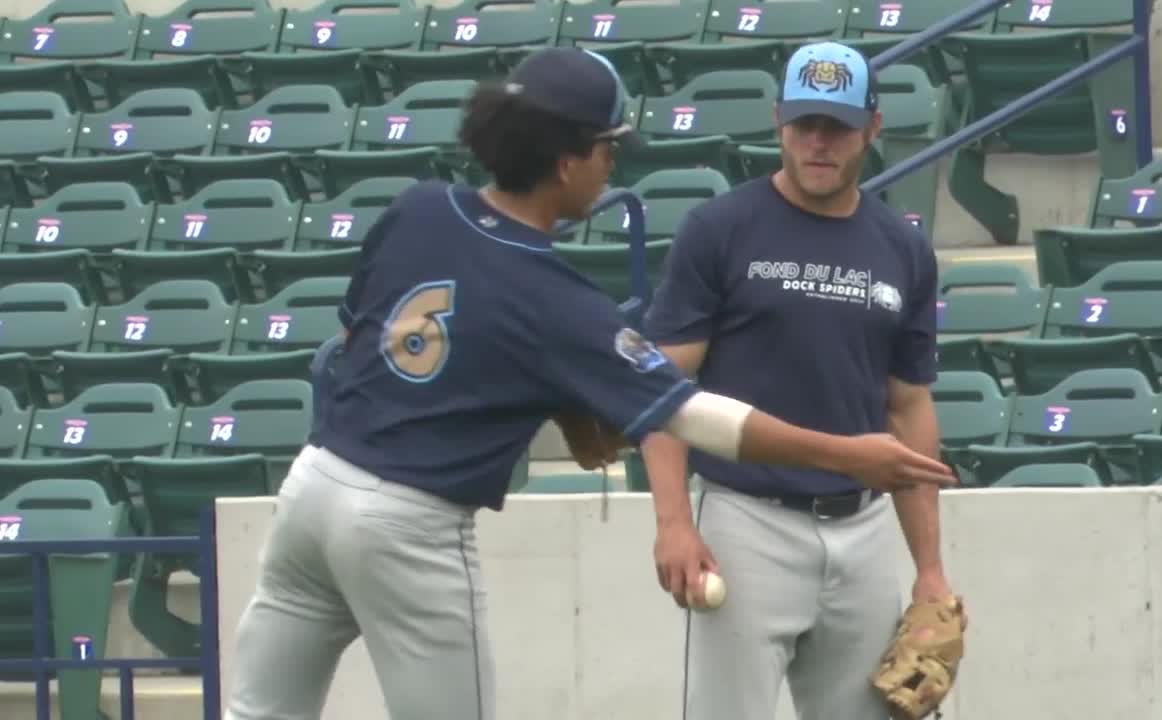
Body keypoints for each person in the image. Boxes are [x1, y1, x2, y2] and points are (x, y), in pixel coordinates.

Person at [220, 46, 954, 720]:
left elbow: (358, 343)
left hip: (314, 488)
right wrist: (849, 456)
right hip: (409, 524)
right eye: (607, 148)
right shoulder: (560, 300)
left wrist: (551, 392)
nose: (613, 166)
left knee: (259, 711)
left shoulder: (418, 207)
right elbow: (695, 416)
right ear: (568, 160)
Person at [641, 41, 958, 720]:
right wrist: (672, 521)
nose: (819, 143)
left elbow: (908, 408)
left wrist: (929, 568)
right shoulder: (720, 228)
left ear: (872, 128)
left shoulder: (902, 248)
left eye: (837, 127)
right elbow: (663, 389)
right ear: (778, 118)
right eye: (805, 123)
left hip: (863, 526)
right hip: (746, 521)